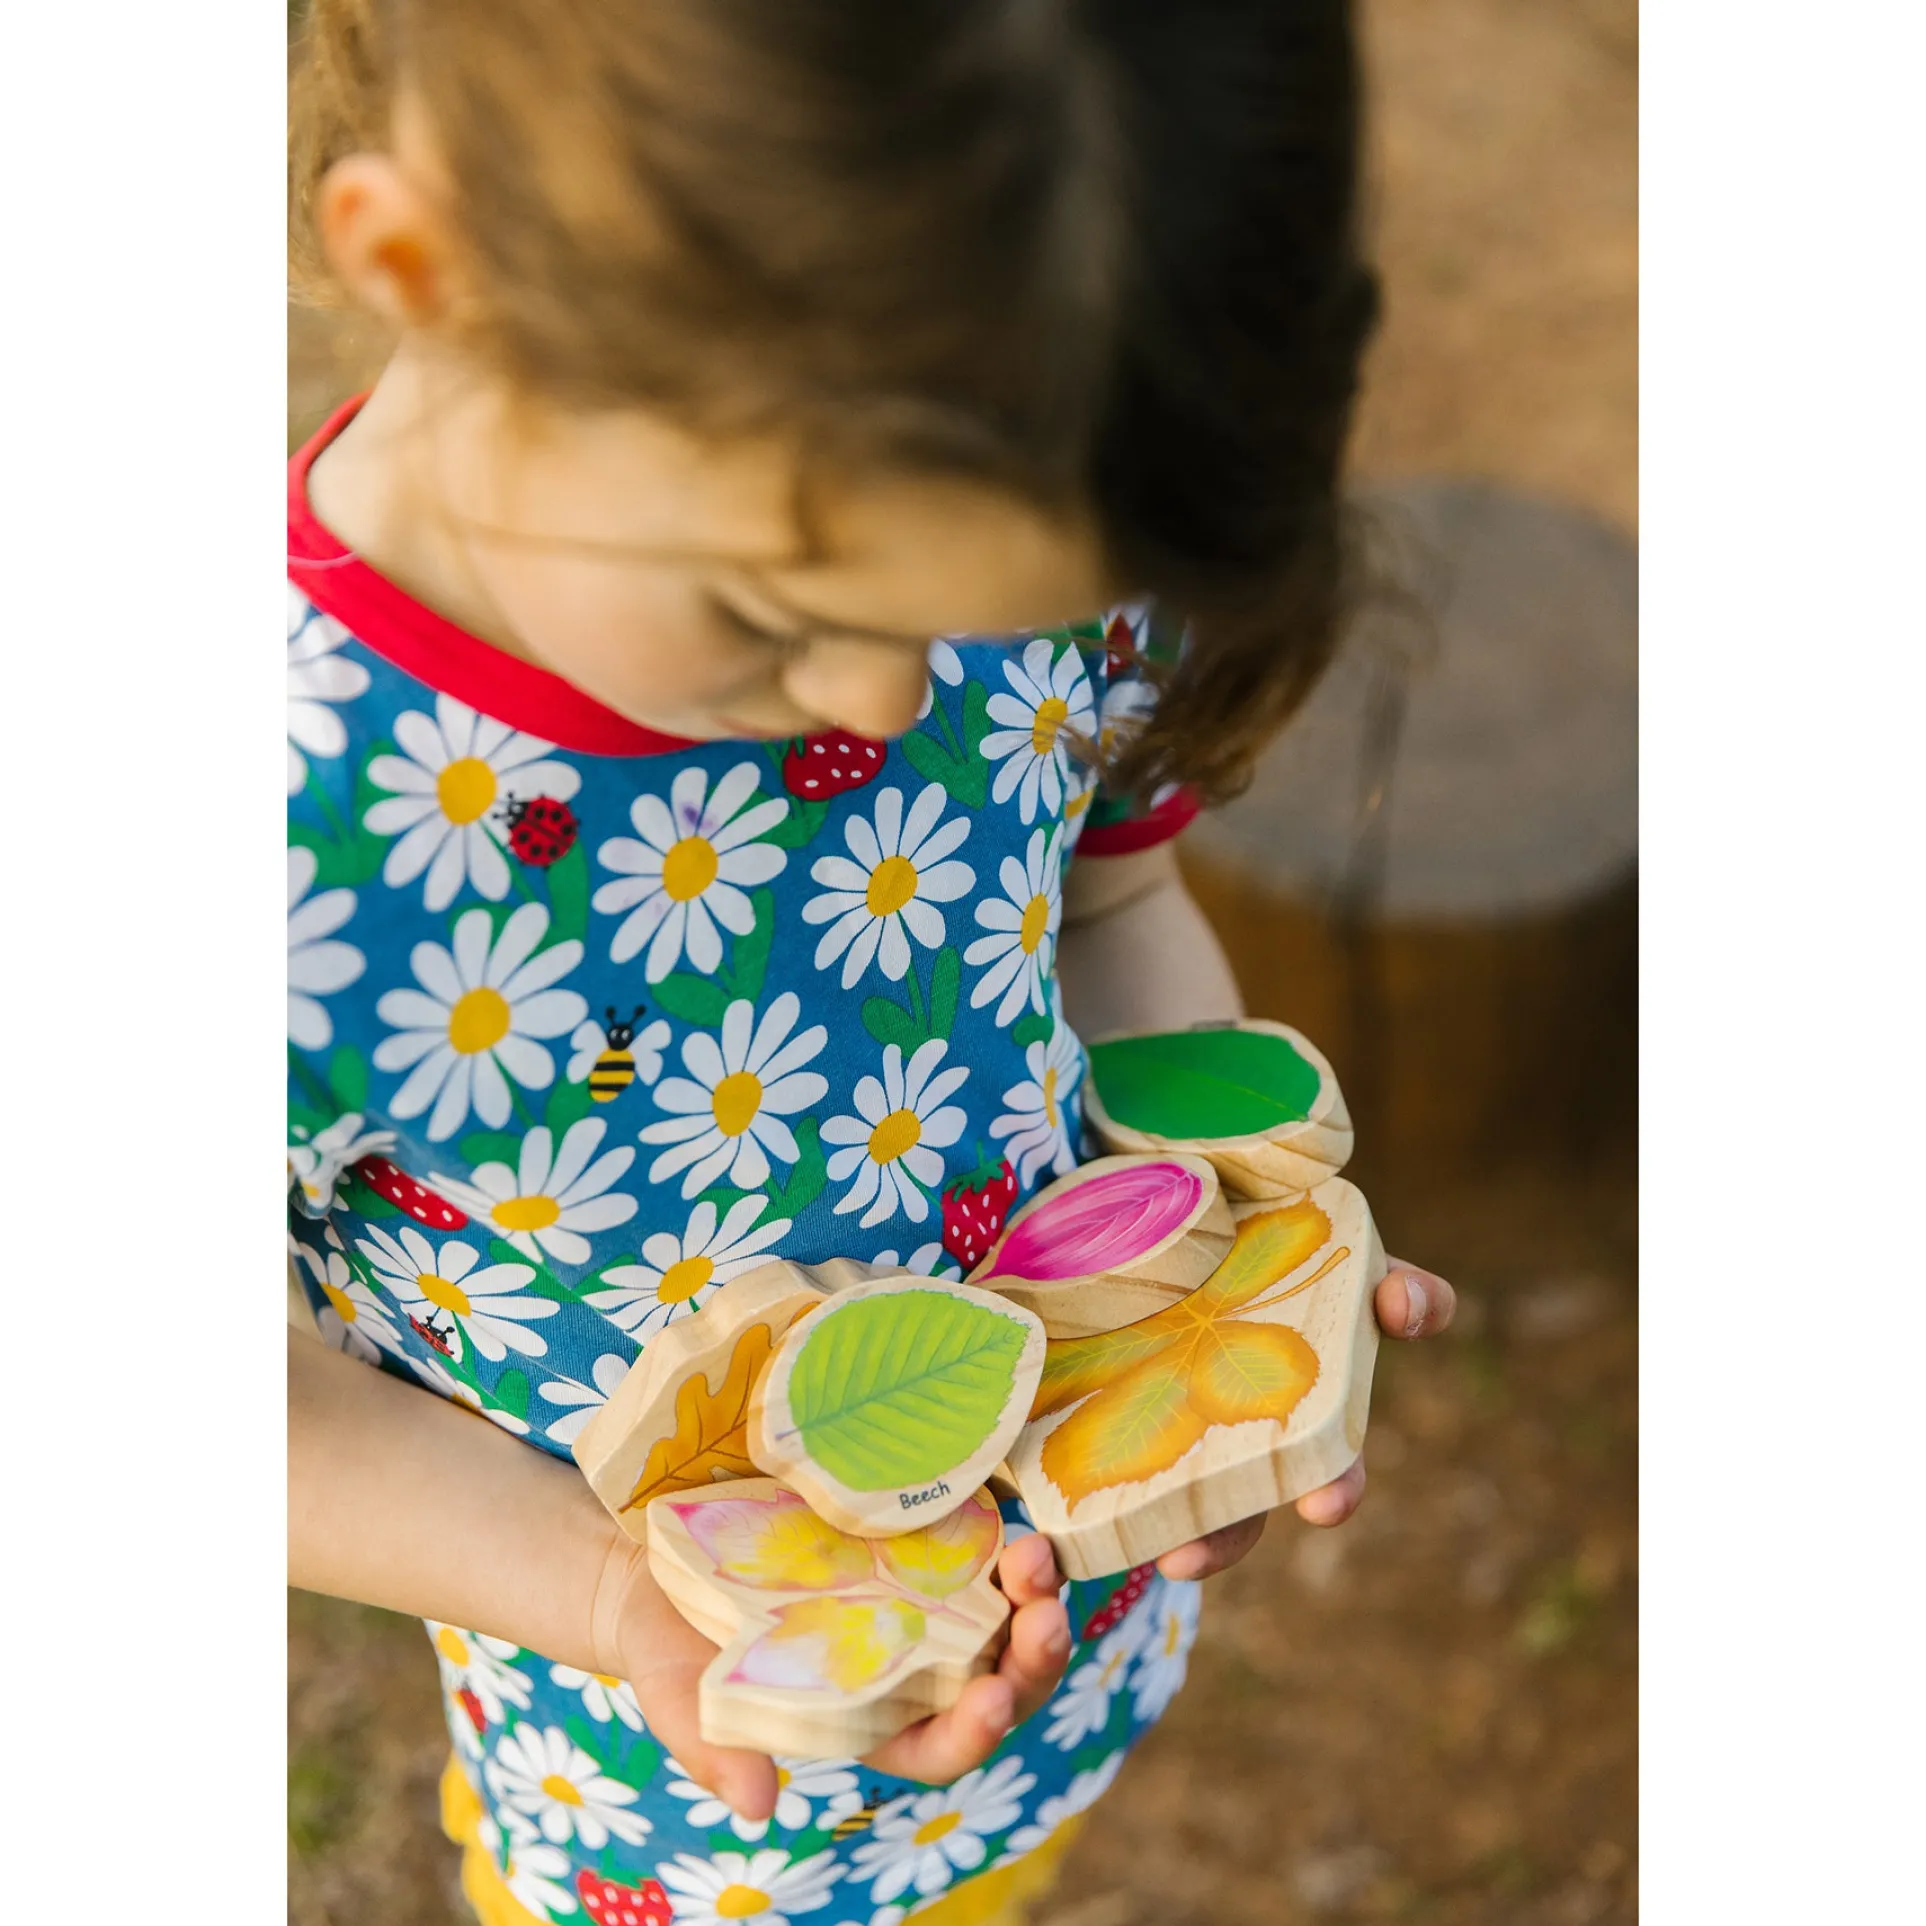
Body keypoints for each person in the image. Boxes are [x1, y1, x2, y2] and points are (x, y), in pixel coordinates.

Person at [285, 4, 1459, 1922]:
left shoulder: (1018, 418)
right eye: (780, 613)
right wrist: (610, 1600)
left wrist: (1219, 1269)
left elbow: (1101, 903)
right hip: (687, 1788)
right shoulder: (288, 839)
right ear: (437, 272)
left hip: (1050, 1643)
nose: (881, 703)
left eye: (963, 624)